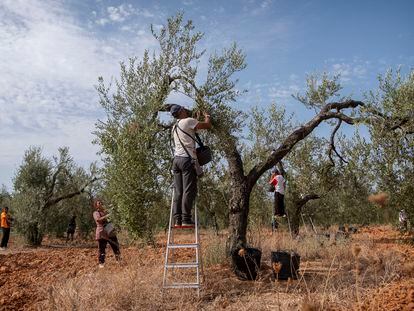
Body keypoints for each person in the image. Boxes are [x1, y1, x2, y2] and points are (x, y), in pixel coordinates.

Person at [170, 104, 211, 227]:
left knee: (179, 190)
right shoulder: (188, 121)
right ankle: (186, 219)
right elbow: (207, 125)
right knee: (189, 190)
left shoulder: (175, 126)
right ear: (181, 111)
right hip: (187, 160)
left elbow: (192, 130)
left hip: (176, 161)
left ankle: (178, 219)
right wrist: (207, 116)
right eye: (183, 109)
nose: (185, 109)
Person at [92, 199, 121, 268]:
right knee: (102, 249)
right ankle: (101, 264)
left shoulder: (106, 211)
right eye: (99, 203)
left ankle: (119, 261)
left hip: (110, 231)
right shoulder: (95, 213)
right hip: (101, 232)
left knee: (115, 246)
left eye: (101, 202)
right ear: (96, 206)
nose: (101, 203)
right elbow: (98, 220)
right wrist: (107, 216)